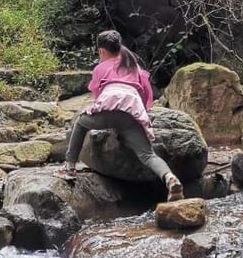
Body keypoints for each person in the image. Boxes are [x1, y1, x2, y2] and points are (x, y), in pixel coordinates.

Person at [61, 30, 184, 200]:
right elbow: (146, 95)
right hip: (130, 113)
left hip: (108, 109)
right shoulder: (135, 68)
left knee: (81, 123)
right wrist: (142, 116)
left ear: (101, 51)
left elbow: (98, 96)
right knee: (148, 155)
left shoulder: (100, 68)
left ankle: (70, 166)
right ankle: (170, 178)